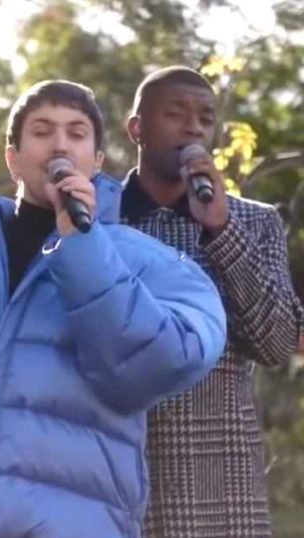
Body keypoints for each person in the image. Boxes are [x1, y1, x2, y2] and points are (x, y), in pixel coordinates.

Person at [0, 80, 226, 537]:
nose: (59, 145)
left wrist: (84, 248)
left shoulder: (146, 260)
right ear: (12, 157)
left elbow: (174, 355)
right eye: (42, 131)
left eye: (76, 133)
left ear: (96, 161)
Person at [122, 66, 304, 538]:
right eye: (175, 113)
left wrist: (221, 229)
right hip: (111, 482)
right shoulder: (95, 222)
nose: (192, 128)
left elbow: (278, 343)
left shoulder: (254, 223)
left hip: (219, 495)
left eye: (205, 118)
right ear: (136, 128)